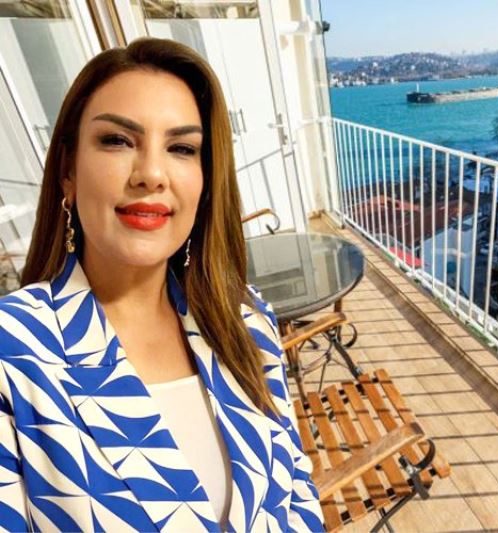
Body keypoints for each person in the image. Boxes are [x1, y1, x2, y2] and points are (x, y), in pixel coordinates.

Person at [0, 38, 323, 532]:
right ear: (68, 170)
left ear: (205, 179)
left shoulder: (243, 318)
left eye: (181, 148)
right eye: (117, 140)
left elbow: (297, 489)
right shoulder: (15, 352)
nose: (151, 174)